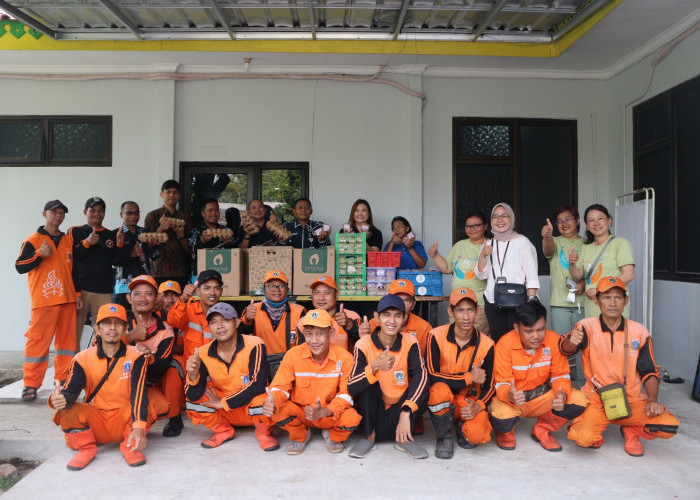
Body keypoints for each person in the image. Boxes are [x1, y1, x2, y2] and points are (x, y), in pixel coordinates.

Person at [560, 277, 678, 456]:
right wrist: (571, 342)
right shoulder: (586, 326)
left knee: (668, 426)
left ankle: (631, 430)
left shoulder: (639, 331)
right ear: (597, 301)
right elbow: (565, 349)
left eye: (618, 297)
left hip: (631, 399)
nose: (613, 303)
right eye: (606, 297)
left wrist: (652, 399)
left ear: (626, 301)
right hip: (597, 399)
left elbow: (649, 371)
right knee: (584, 438)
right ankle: (590, 425)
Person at [48, 303, 160, 470]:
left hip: (125, 419)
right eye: (107, 323)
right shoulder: (82, 358)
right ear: (97, 329)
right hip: (96, 420)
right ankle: (87, 449)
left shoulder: (136, 356)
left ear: (125, 329)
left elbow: (138, 393)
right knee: (68, 411)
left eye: (118, 323)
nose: (112, 327)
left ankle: (130, 447)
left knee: (149, 404)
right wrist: (59, 400)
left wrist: (138, 427)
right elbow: (71, 391)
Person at [259, 309, 362, 455]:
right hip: (302, 413)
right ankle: (300, 435)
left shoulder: (345, 358)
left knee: (352, 418)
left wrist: (326, 411)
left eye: (319, 334)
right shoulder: (293, 355)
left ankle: (333, 436)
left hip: (328, 413)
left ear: (331, 333)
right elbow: (281, 386)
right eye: (309, 334)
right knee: (277, 409)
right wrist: (273, 400)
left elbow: (347, 395)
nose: (313, 340)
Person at [489, 301, 587, 452]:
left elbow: (560, 375)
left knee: (579, 399)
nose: (536, 336)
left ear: (546, 323)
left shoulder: (553, 340)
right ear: (517, 328)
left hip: (541, 399)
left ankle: (542, 429)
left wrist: (562, 394)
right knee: (500, 413)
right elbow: (502, 382)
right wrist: (509, 395)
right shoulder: (504, 344)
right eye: (529, 331)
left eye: (540, 329)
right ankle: (505, 433)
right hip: (514, 401)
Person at [184, 303, 279, 451]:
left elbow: (258, 385)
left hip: (250, 407)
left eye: (225, 320)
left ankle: (264, 434)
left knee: (266, 397)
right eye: (214, 322)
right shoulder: (202, 353)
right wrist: (192, 375)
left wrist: (223, 403)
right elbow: (193, 395)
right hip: (225, 412)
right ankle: (223, 431)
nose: (220, 326)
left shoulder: (255, 344)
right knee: (192, 403)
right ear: (209, 327)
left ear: (237, 322)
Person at [347, 295, 429, 459]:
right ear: (377, 317)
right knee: (367, 385)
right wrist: (374, 366)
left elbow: (422, 376)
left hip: (400, 417)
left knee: (424, 386)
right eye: (386, 315)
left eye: (398, 315)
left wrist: (406, 411)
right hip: (374, 417)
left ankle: (404, 439)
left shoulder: (410, 341)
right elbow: (352, 386)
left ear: (404, 318)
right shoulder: (363, 344)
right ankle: (368, 437)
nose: (392, 321)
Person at [15, 200, 80, 401]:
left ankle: (63, 379)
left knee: (67, 344)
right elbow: (19, 266)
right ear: (44, 214)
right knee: (38, 344)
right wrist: (39, 254)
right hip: (43, 301)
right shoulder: (32, 240)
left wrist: (77, 294)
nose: (58, 216)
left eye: (62, 213)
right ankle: (31, 384)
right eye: (54, 212)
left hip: (67, 299)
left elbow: (74, 271)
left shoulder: (68, 240)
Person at [426, 288, 495, 458]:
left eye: (470, 310)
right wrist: (469, 377)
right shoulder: (435, 336)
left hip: (468, 401)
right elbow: (431, 375)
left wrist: (478, 405)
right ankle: (444, 436)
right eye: (460, 310)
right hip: (445, 399)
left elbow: (491, 386)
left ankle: (461, 425)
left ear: (478, 311)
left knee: (475, 437)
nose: (466, 317)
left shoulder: (487, 344)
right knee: (438, 390)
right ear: (450, 312)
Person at [124, 275, 183, 438]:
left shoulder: (166, 330)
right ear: (129, 298)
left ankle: (174, 417)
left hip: (148, 382)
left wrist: (148, 357)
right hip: (120, 382)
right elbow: (98, 350)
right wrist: (130, 337)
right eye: (137, 294)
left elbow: (161, 367)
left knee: (173, 365)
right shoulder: (119, 321)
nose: (142, 298)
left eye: (148, 294)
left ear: (157, 299)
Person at [475, 203, 539, 342]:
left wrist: (532, 300)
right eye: (495, 216)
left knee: (518, 339)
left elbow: (532, 273)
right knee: (499, 340)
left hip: (519, 300)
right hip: (493, 300)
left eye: (504, 215)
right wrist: (483, 255)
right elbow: (481, 274)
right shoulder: (488, 244)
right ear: (491, 220)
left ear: (512, 218)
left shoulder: (523, 242)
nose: (500, 220)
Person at [429, 209, 490, 335]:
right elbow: (447, 268)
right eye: (468, 226)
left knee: (478, 340)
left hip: (479, 304)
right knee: (456, 338)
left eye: (476, 225)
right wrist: (435, 255)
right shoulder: (460, 245)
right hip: (457, 303)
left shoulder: (490, 246)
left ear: (485, 226)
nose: (472, 229)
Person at [541, 205, 585, 381]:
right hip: (559, 303)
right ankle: (562, 379)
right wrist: (547, 236)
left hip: (583, 303)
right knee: (561, 344)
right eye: (559, 221)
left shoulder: (587, 244)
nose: (564, 223)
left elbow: (593, 269)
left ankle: (582, 381)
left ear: (578, 221)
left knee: (583, 343)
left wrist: (583, 284)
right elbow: (548, 249)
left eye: (568, 219)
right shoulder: (555, 241)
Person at [569, 204, 635, 318]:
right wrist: (572, 264)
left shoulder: (620, 243)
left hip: (614, 306)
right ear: (587, 226)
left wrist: (600, 290)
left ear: (609, 221)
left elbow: (629, 275)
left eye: (600, 218)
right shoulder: (586, 248)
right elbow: (577, 276)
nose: (596, 223)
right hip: (592, 307)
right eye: (591, 220)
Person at [239, 271, 306, 379]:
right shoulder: (252, 309)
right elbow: (239, 337)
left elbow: (304, 346)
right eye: (271, 286)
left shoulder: (299, 311)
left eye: (281, 286)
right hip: (260, 365)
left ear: (288, 290)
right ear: (263, 289)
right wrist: (247, 319)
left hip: (289, 366)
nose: (276, 289)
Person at [69, 196, 117, 349]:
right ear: (85, 212)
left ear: (104, 213)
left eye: (100, 210)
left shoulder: (111, 235)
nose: (97, 213)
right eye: (93, 210)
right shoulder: (75, 231)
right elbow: (70, 257)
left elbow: (117, 260)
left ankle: (101, 360)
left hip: (104, 289)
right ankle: (73, 361)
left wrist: (123, 246)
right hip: (80, 289)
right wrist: (87, 243)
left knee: (105, 331)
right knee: (73, 331)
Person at [166, 269, 223, 362]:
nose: (212, 292)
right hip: (191, 368)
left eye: (216, 288)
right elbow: (173, 321)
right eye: (207, 288)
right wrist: (183, 299)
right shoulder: (189, 309)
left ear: (221, 291)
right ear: (198, 291)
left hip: (216, 368)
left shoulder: (226, 313)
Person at [144, 180, 192, 288]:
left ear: (179, 195)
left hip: (181, 271)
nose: (172, 195)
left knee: (180, 298)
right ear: (161, 194)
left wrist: (181, 235)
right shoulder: (152, 216)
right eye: (168, 192)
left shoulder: (184, 217)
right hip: (159, 270)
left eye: (175, 192)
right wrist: (161, 229)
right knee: (159, 298)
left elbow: (190, 249)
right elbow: (147, 245)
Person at [367, 279, 432, 355]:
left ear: (413, 304)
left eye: (407, 300)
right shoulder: (374, 323)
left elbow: (424, 358)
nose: (401, 304)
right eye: (397, 299)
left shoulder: (424, 328)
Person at [114, 201, 158, 309]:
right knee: (124, 315)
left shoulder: (145, 233)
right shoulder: (115, 234)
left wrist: (153, 246)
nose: (133, 216)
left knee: (144, 315)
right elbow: (114, 261)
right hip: (123, 286)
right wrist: (132, 255)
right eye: (129, 213)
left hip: (144, 284)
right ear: (121, 214)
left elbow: (155, 256)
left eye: (136, 213)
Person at [297, 276, 361, 351]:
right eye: (317, 293)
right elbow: (301, 352)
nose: (321, 298)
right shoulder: (304, 322)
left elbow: (362, 346)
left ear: (336, 295)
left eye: (327, 292)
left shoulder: (351, 317)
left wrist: (349, 325)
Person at [188, 198, 235, 276]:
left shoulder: (226, 230)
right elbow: (191, 253)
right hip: (200, 273)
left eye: (216, 210)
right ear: (203, 213)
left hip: (223, 272)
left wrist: (227, 242)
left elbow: (234, 254)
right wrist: (202, 240)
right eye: (210, 210)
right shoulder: (196, 231)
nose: (214, 213)